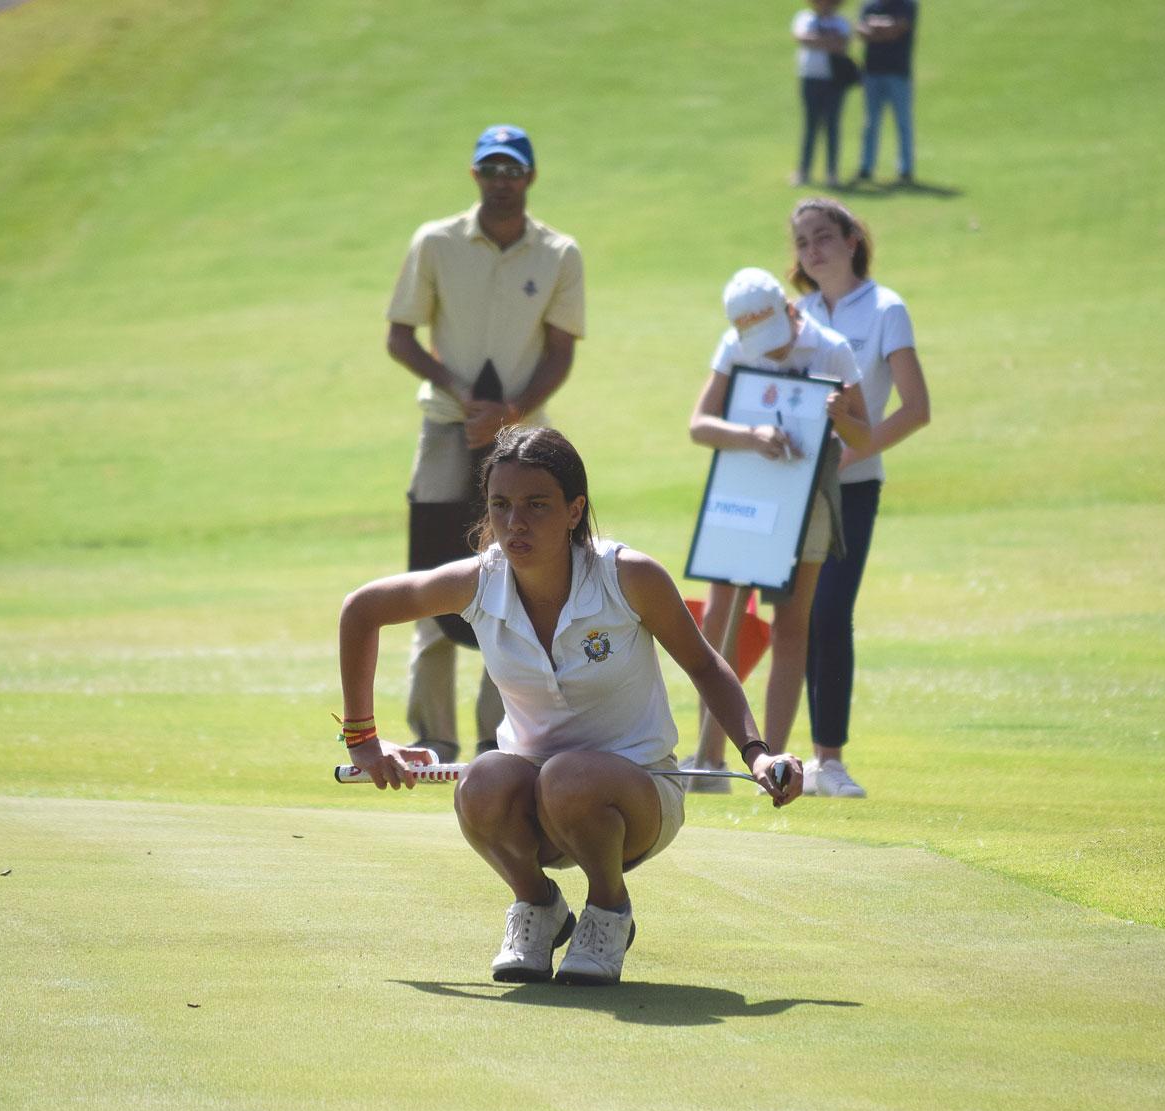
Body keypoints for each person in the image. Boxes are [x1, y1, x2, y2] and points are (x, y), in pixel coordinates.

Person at [339, 428, 803, 986]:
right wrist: (363, 741)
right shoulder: (477, 583)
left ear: (574, 509)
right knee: (482, 781)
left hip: (637, 801)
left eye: (537, 505)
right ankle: (538, 906)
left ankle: (609, 911)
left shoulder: (628, 575)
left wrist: (756, 753)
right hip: (535, 805)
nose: (516, 523)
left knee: (567, 777)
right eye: (501, 505)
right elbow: (361, 610)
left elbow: (706, 666)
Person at [385, 124, 585, 764]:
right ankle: (433, 736)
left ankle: (502, 739)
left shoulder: (558, 252)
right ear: (476, 174)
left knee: (521, 575)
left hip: (521, 440)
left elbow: (560, 353)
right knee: (434, 572)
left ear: (529, 176)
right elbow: (401, 337)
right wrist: (461, 393)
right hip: (447, 428)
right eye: (490, 168)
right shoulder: (436, 242)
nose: (501, 179)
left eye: (512, 169)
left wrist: (508, 413)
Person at [681, 267, 875, 791]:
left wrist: (838, 413)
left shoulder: (830, 348)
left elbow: (865, 432)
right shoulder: (734, 343)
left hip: (807, 497)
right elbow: (700, 425)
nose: (768, 351)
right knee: (719, 619)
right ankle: (710, 762)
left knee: (792, 626)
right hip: (742, 491)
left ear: (791, 310)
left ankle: (774, 768)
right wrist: (752, 435)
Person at [788, 197, 931, 796]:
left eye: (823, 236)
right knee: (797, 619)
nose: (812, 250)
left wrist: (857, 450)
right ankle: (789, 756)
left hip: (853, 487)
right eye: (801, 242)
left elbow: (916, 408)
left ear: (852, 240)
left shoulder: (885, 308)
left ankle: (830, 758)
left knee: (829, 615)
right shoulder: (795, 314)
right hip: (797, 489)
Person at [854, 0, 919, 185]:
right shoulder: (870, 6)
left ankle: (905, 170)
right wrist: (883, 29)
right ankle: (866, 168)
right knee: (870, 123)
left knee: (903, 122)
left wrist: (875, 27)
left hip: (898, 73)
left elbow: (897, 29)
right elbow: (861, 30)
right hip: (872, 72)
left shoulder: (906, 5)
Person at [791, 0, 855, 188]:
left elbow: (841, 45)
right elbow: (802, 39)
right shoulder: (804, 18)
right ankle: (803, 171)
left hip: (833, 80)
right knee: (811, 125)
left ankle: (832, 173)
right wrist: (827, 41)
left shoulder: (840, 22)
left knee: (832, 126)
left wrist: (817, 40)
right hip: (810, 78)